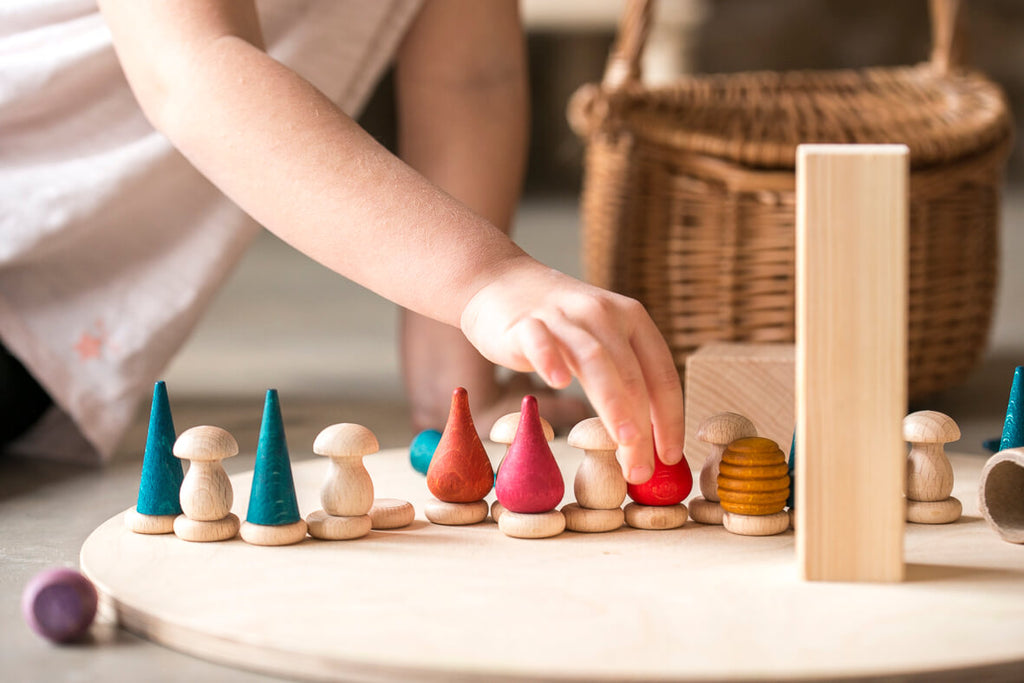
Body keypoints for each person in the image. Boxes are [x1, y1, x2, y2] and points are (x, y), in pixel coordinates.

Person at [0, 0, 683, 484]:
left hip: (43, 335)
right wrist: (485, 279)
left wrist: (455, 381)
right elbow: (193, 68)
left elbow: (469, 82)